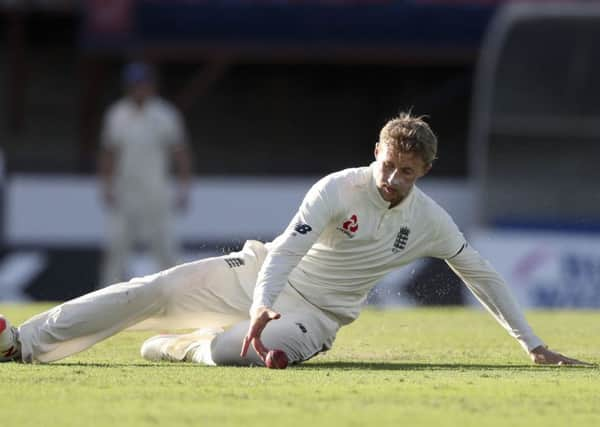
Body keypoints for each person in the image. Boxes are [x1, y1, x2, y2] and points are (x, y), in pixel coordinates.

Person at [0, 113, 590, 366]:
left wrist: (532, 344)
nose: (391, 178)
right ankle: (21, 344)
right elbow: (285, 251)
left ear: (423, 174)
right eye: (387, 164)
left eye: (406, 172)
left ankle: (180, 348)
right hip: (258, 275)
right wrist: (260, 302)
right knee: (150, 287)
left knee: (252, 352)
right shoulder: (339, 187)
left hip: (318, 315)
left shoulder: (431, 220)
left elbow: (480, 274)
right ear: (375, 153)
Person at [97, 61, 191, 287]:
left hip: (155, 190)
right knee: (116, 248)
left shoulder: (165, 115)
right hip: (125, 190)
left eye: (143, 84)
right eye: (134, 84)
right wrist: (106, 185)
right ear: (128, 87)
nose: (139, 89)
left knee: (165, 247)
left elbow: (180, 153)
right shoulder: (117, 114)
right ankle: (106, 300)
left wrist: (183, 187)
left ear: (151, 85)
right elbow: (109, 153)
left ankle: (175, 297)